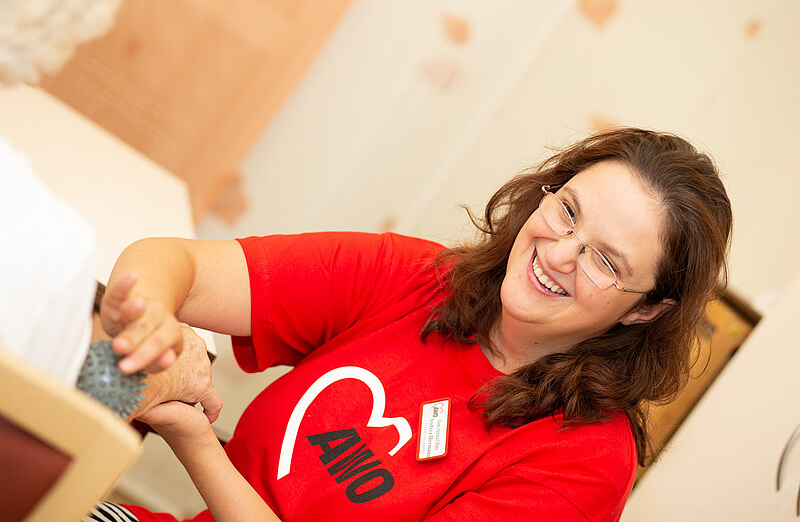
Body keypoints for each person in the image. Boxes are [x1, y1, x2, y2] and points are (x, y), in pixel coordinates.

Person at [92, 128, 732, 522]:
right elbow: (171, 264)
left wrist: (194, 440)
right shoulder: (418, 278)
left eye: (604, 260)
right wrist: (149, 328)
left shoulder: (585, 462)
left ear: (647, 308)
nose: (559, 251)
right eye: (567, 211)